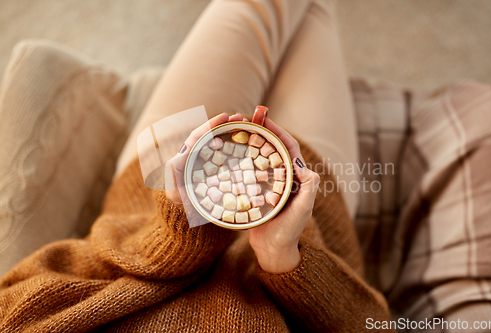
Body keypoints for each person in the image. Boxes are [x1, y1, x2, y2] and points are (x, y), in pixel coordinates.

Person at [0, 0, 394, 331]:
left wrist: (178, 233)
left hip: (165, 178)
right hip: (311, 211)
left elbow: (20, 298)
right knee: (314, 12)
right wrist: (283, 258)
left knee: (257, 8)